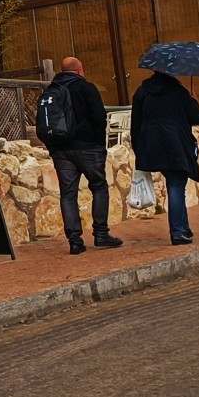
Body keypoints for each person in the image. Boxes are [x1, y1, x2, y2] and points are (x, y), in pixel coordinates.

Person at [40, 57, 121, 255]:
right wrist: (99, 145)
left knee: (68, 193)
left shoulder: (51, 91)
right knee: (99, 187)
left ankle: (75, 241)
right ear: (80, 70)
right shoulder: (86, 88)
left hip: (61, 150)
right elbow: (98, 117)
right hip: (87, 147)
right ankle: (101, 234)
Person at [130, 70, 199, 246]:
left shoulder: (142, 92)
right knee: (176, 185)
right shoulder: (178, 91)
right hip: (176, 145)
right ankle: (178, 232)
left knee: (176, 184)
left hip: (153, 146)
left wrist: (139, 150)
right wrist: (194, 100)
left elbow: (136, 124)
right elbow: (196, 117)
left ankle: (184, 228)